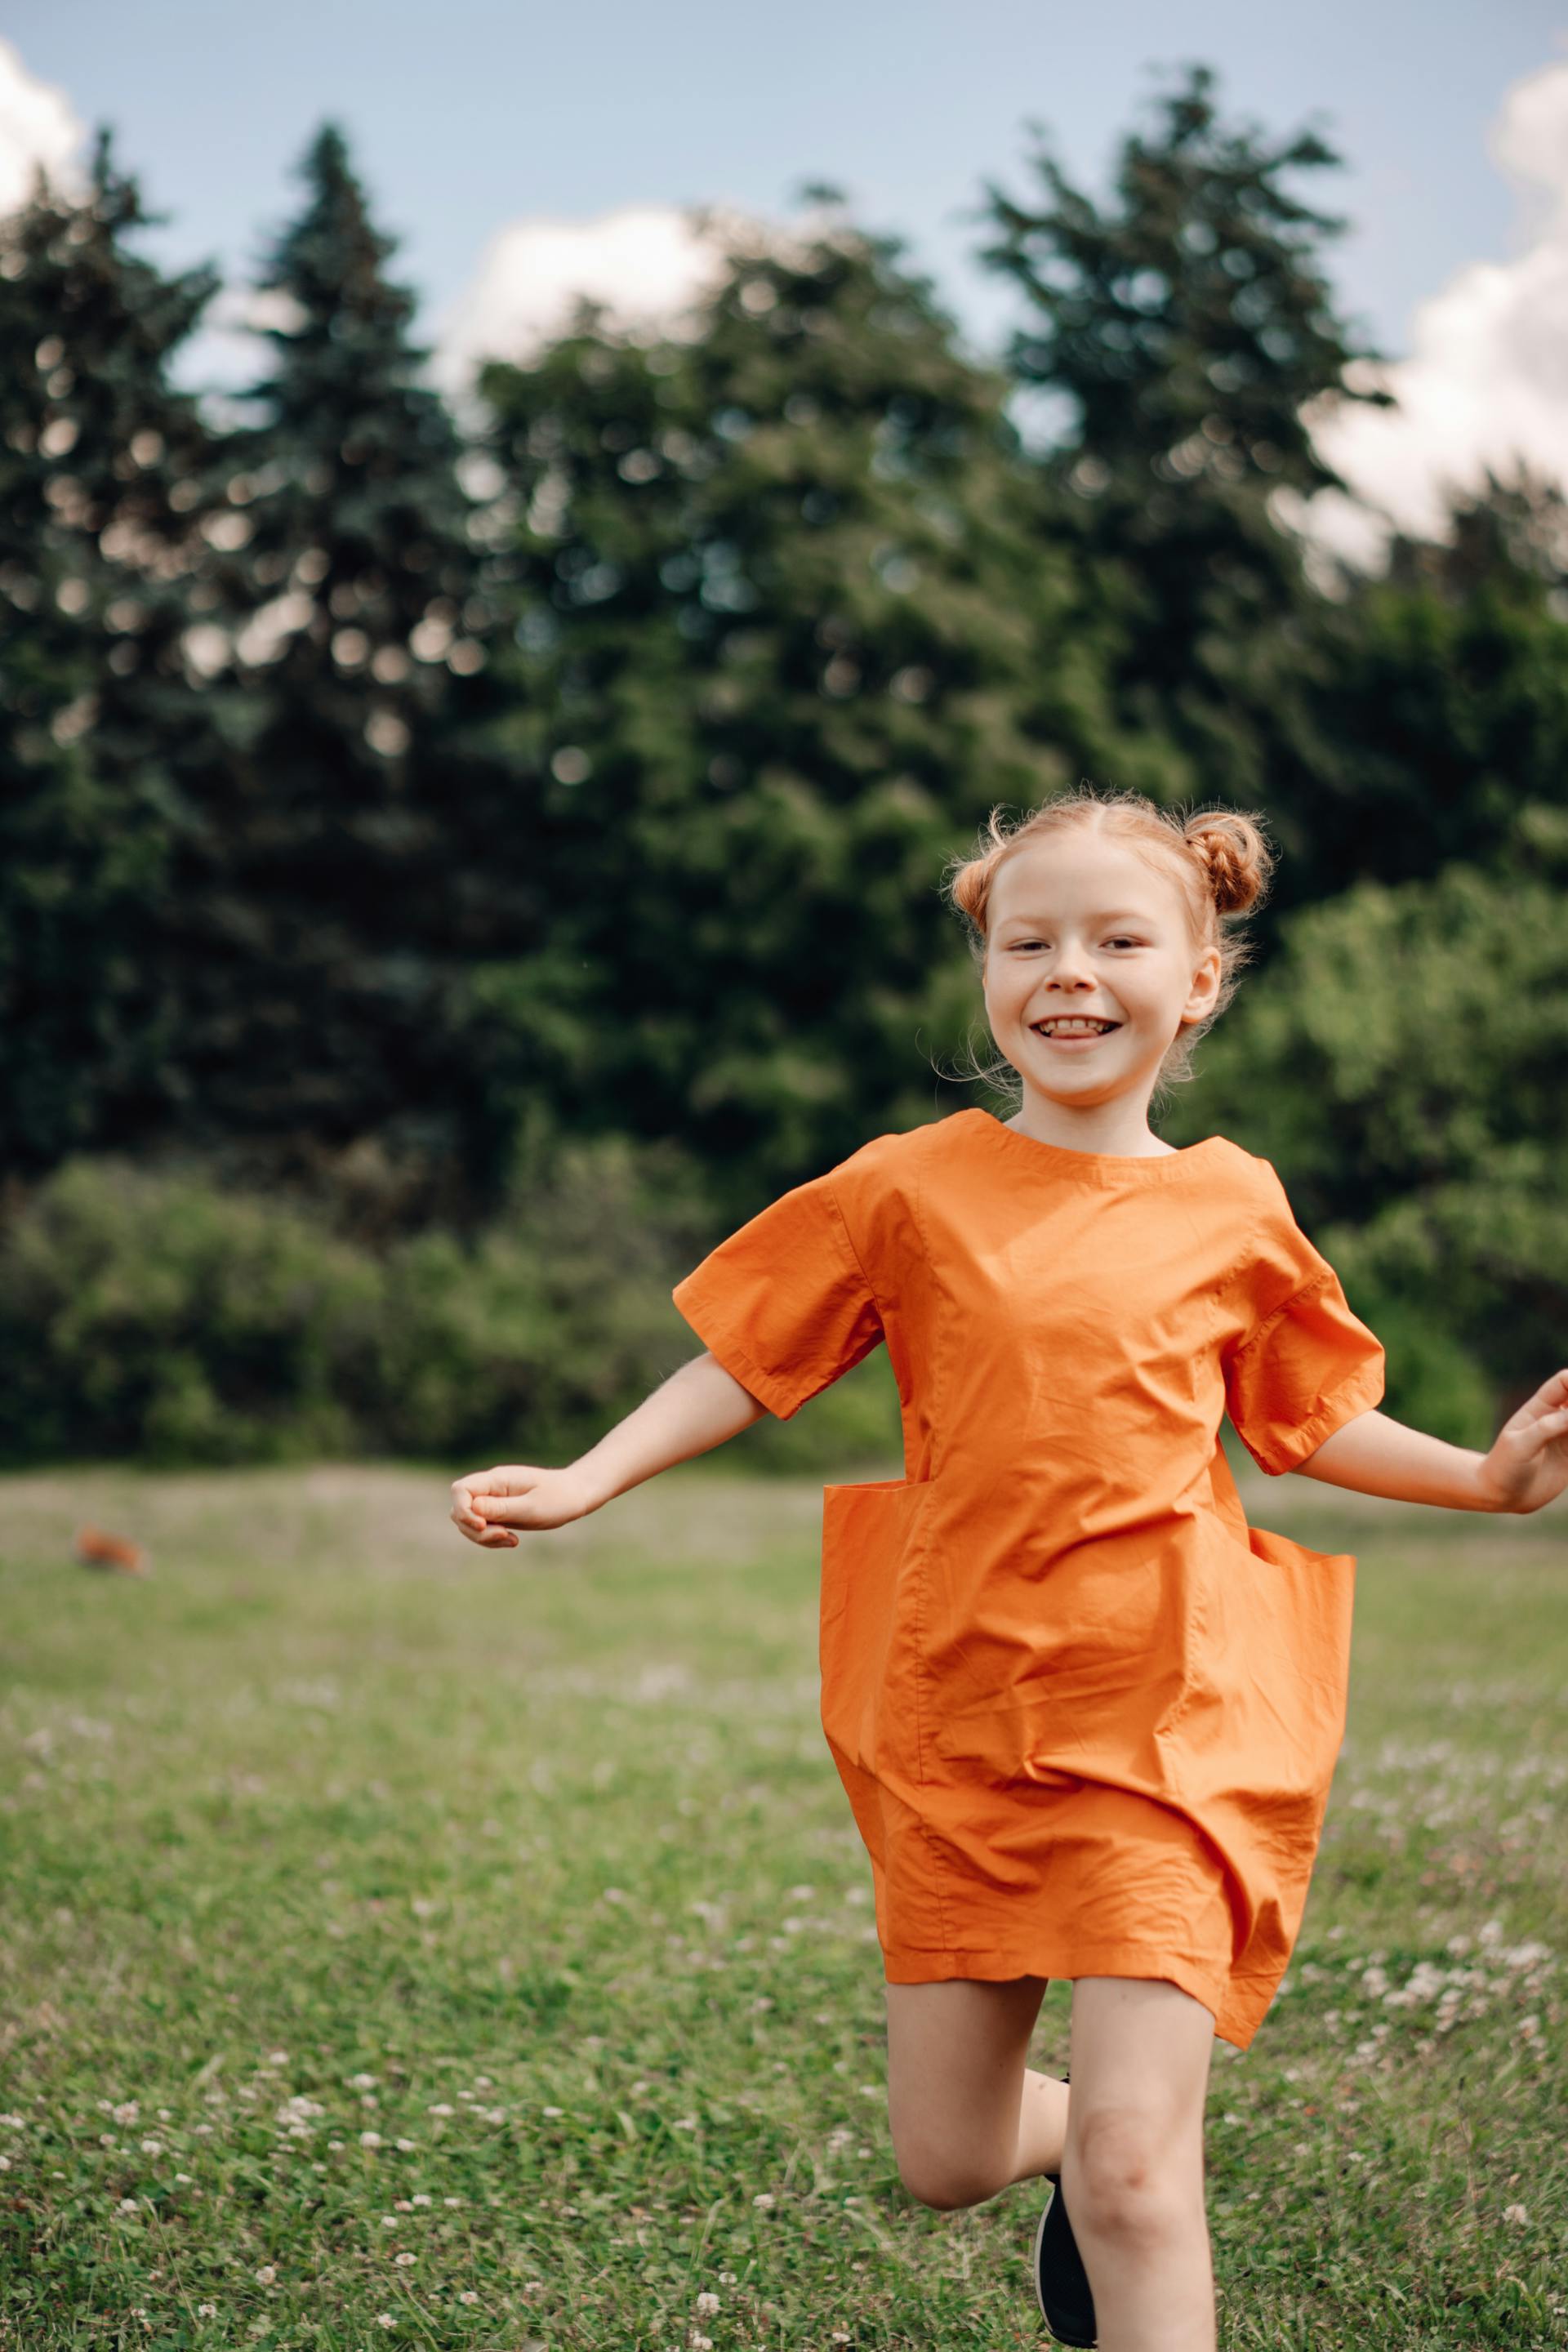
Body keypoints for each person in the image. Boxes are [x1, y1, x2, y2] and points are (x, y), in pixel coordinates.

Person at [450, 786, 1568, 2352]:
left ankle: (1125, 2163)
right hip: (965, 1714)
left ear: (1197, 981)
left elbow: (1314, 1418)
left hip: (1172, 1721)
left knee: (1136, 2170)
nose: (1070, 973)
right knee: (947, 2158)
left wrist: (1490, 1482)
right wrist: (587, 1475)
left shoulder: (1232, 1203)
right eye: (1028, 939)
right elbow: (747, 1354)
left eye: (1121, 940)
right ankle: (1081, 2154)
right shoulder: (911, 1187)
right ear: (986, 969)